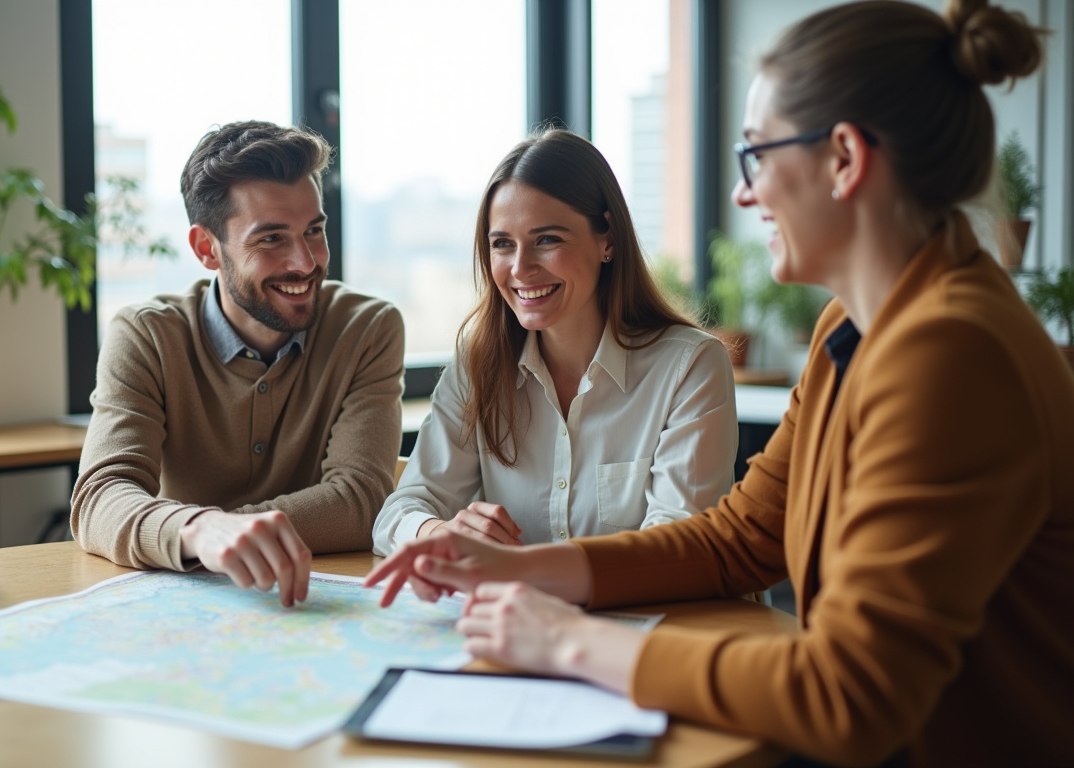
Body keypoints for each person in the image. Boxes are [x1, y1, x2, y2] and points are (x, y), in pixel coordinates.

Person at [365, 2, 1074, 765]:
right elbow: (739, 540)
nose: (744, 195)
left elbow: (850, 694)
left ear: (843, 159)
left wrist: (570, 642)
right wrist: (518, 568)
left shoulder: (949, 349)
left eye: (756, 158)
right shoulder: (858, 327)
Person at [73, 121, 404, 607]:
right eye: (271, 239)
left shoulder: (368, 327)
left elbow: (359, 501)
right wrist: (203, 530)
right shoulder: (146, 334)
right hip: (179, 603)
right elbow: (100, 498)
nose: (305, 261)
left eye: (314, 230)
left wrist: (220, 529)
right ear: (207, 249)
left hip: (313, 599)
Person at [372, 130, 736, 555]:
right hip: (509, 617)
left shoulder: (690, 367)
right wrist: (438, 532)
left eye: (547, 240)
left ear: (608, 240)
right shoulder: (477, 366)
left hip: (641, 620)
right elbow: (399, 513)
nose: (521, 268)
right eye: (503, 244)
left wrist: (535, 571)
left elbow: (676, 550)